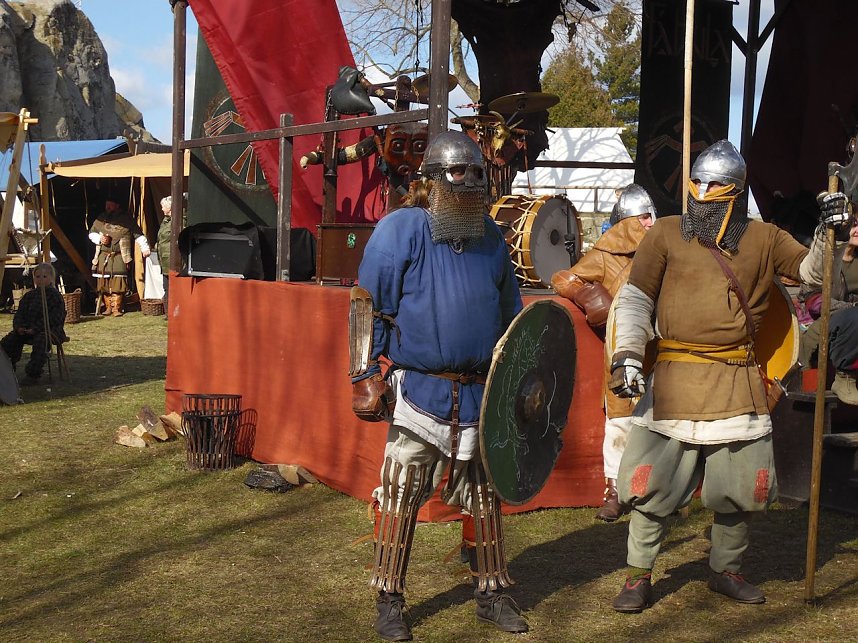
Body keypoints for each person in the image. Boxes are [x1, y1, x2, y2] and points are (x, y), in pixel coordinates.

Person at [606, 139, 847, 613]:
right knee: (650, 485)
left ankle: (725, 570)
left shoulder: (764, 238)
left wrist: (827, 231)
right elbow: (635, 300)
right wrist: (628, 354)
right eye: (698, 181)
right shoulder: (667, 233)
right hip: (675, 377)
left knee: (738, 490)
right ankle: (637, 576)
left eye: (714, 183)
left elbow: (812, 274)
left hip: (738, 377)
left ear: (735, 191)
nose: (702, 190)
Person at [350, 130, 527, 641]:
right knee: (402, 491)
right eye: (458, 173)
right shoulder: (401, 230)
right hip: (420, 393)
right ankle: (389, 598)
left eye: (477, 173)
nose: (470, 181)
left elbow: (511, 319)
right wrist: (364, 377)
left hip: (480, 394)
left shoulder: (491, 239)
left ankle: (491, 592)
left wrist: (515, 379)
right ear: (429, 180)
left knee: (487, 498)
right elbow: (368, 304)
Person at [551, 184, 656, 522]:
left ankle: (651, 491)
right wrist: (588, 295)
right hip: (623, 349)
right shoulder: (605, 256)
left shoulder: (664, 250)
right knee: (621, 423)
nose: (650, 222)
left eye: (651, 215)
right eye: (643, 217)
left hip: (661, 345)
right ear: (626, 220)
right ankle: (614, 492)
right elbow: (563, 278)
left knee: (659, 423)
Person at [797, 215, 858, 404]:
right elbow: (814, 302)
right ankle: (844, 376)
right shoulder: (823, 260)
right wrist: (851, 308)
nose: (857, 230)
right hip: (824, 322)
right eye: (854, 224)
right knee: (854, 317)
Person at [1, 262, 67, 386]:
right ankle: (8, 368)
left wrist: (35, 329)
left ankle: (33, 374)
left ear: (51, 278)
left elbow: (54, 319)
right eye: (37, 277)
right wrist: (19, 327)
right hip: (28, 329)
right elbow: (20, 314)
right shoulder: (29, 296)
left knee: (41, 341)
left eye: (44, 277)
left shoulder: (55, 296)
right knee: (10, 340)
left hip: (49, 330)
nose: (40, 280)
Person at [89, 193, 150, 316]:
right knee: (104, 283)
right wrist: (100, 238)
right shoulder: (101, 219)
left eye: (110, 205)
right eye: (107, 205)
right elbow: (91, 233)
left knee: (118, 282)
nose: (108, 207)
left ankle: (117, 308)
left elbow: (138, 234)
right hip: (103, 255)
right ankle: (108, 308)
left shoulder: (126, 220)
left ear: (117, 205)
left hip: (119, 256)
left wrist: (145, 248)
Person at [156, 196, 173, 313]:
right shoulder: (165, 221)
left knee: (173, 288)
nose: (162, 209)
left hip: (173, 260)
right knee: (166, 287)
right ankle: (168, 313)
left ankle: (173, 312)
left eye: (163, 206)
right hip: (165, 261)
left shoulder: (178, 221)